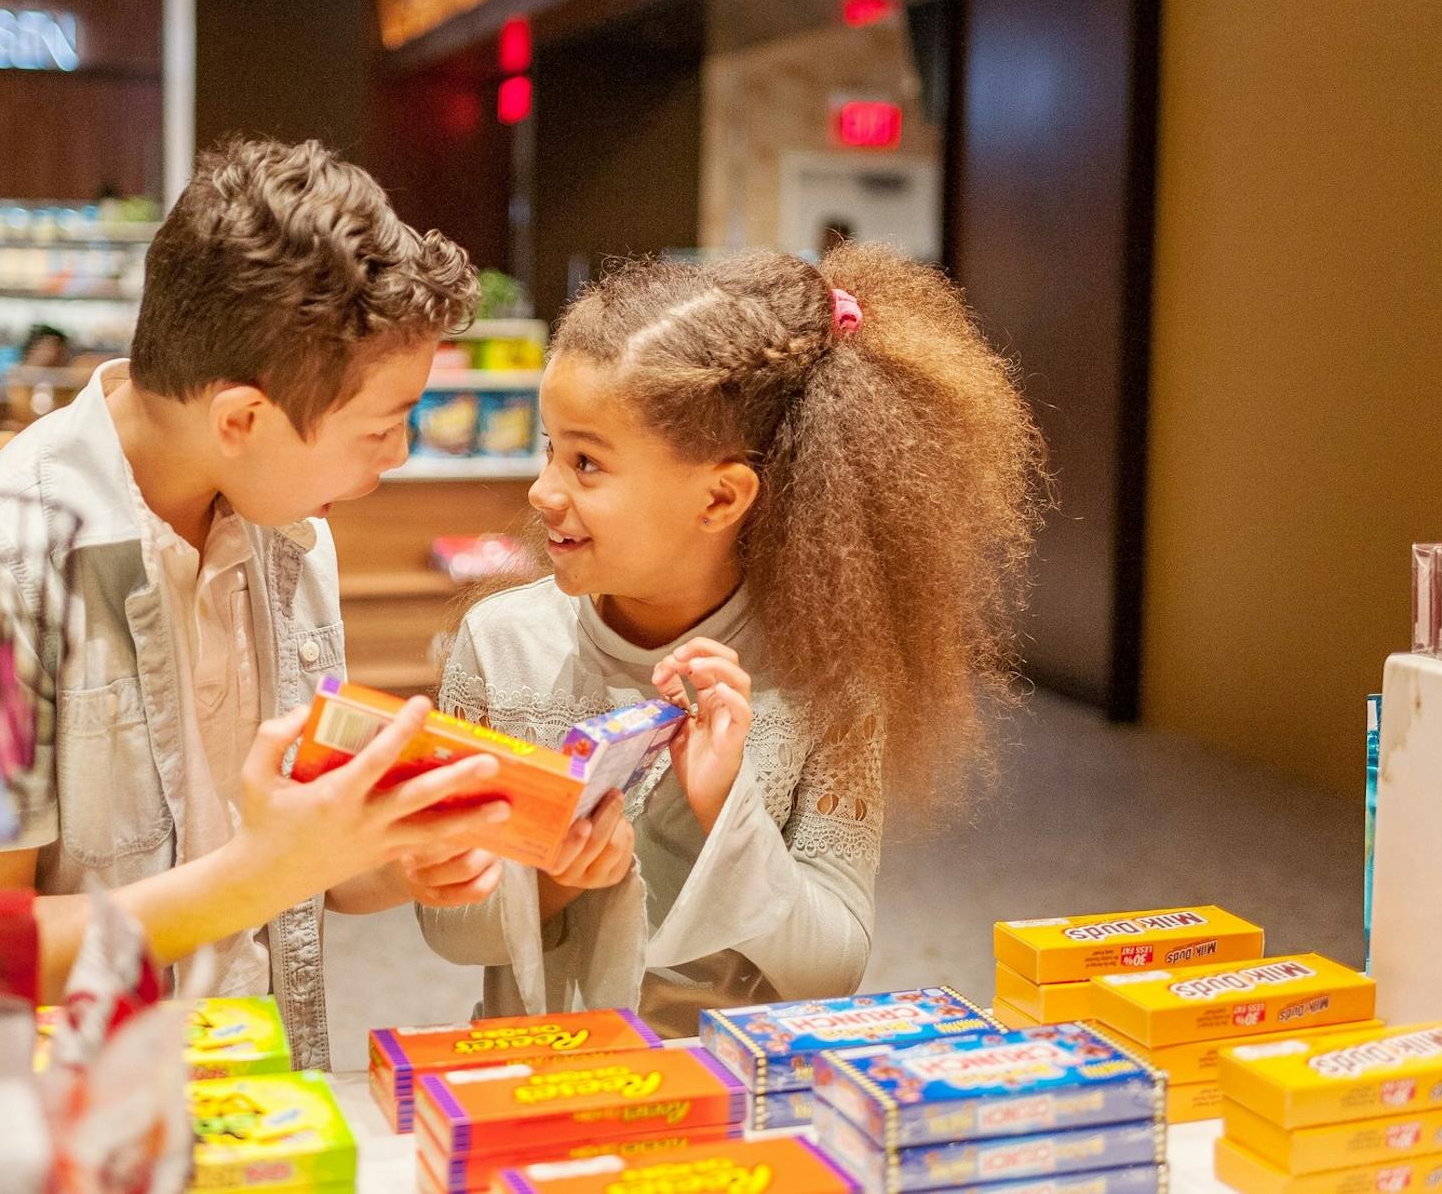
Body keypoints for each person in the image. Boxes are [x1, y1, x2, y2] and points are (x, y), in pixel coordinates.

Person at [0, 137, 508, 1068]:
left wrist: (391, 857)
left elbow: (303, 873)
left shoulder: (289, 529)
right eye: (382, 426)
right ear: (242, 420)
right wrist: (259, 873)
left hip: (263, 1096)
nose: (400, 455)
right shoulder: (4, 559)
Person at [414, 245, 1046, 1035]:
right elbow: (442, 922)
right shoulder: (500, 646)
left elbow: (834, 960)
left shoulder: (828, 675)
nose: (542, 491)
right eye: (549, 449)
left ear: (720, 496)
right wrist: (551, 873)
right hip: (542, 1088)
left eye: (586, 462)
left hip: (741, 1095)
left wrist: (725, 809)